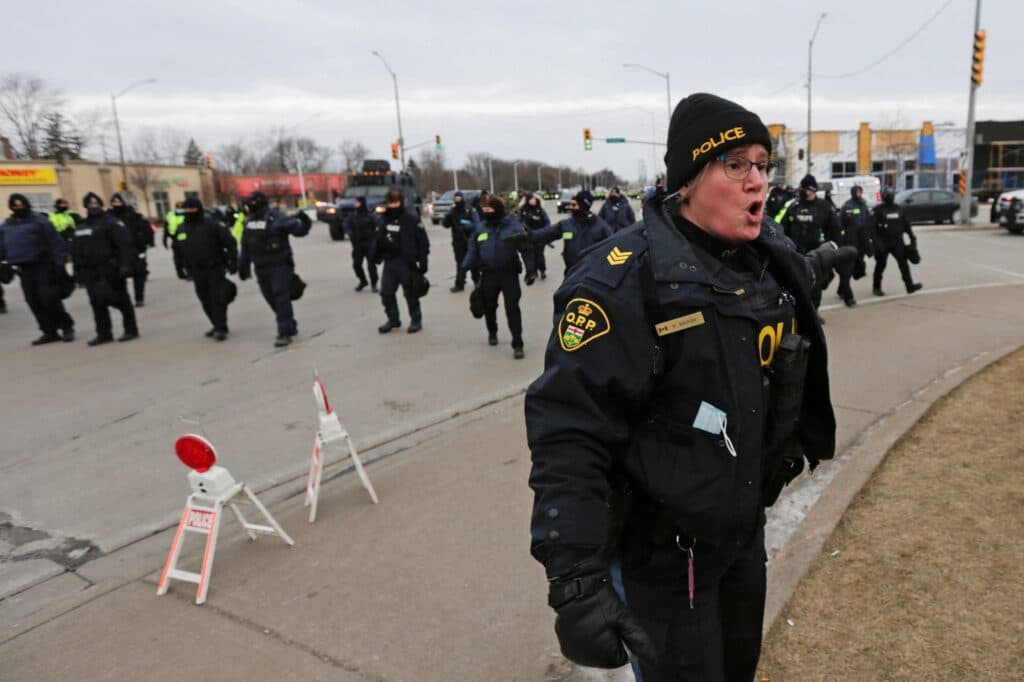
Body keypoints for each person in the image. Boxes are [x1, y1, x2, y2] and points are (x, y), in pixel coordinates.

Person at [526, 93, 837, 681]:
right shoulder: (621, 283)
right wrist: (574, 581)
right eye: (736, 165)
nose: (758, 183)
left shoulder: (762, 257)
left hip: (740, 533)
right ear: (689, 181)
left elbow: (745, 328)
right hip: (665, 560)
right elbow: (569, 428)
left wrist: (814, 270)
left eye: (763, 165)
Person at [237, 191, 311, 347]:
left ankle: (284, 332)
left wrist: (305, 221)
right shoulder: (249, 221)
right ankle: (289, 324)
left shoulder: (276, 218)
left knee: (280, 296)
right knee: (270, 297)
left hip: (279, 265)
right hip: (260, 267)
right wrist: (243, 266)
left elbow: (299, 231)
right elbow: (246, 246)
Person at [0, 193, 75, 343]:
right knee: (33, 301)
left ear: (27, 204)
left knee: (50, 299)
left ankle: (66, 326)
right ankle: (49, 331)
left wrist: (60, 263)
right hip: (23, 268)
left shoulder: (40, 221)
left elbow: (56, 241)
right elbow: (2, 245)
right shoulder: (7, 225)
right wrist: (4, 263)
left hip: (43, 265)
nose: (18, 208)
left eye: (21, 205)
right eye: (15, 206)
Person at [461, 194, 529, 358]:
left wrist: (531, 269)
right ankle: (492, 331)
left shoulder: (513, 226)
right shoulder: (481, 228)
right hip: (488, 274)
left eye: (489, 209)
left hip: (509, 274)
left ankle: (517, 343)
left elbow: (525, 248)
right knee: (489, 307)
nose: (486, 212)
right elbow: (473, 249)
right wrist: (464, 267)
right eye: (484, 209)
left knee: (512, 308)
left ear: (497, 209)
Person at [72, 193, 139, 345]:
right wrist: (77, 271)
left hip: (110, 268)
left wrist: (125, 265)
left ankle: (130, 330)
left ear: (101, 204)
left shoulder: (111, 222)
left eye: (96, 203)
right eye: (90, 204)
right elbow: (76, 250)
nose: (93, 206)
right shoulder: (81, 226)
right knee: (97, 303)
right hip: (90, 271)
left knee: (121, 300)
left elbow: (124, 245)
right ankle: (104, 333)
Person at [173, 196, 238, 340]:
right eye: (187, 209)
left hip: (214, 268)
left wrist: (233, 262)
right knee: (205, 300)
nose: (190, 211)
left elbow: (230, 242)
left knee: (217, 299)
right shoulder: (181, 228)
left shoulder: (211, 224)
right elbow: (177, 250)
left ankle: (221, 328)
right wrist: (179, 268)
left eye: (193, 208)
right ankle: (215, 324)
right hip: (195, 271)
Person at [775, 174, 839, 309]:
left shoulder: (824, 206)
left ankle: (814, 313)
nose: (802, 191)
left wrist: (834, 247)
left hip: (816, 254)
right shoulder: (793, 205)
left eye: (805, 188)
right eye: (801, 188)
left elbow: (835, 228)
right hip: (795, 253)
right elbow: (778, 224)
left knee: (816, 287)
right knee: (795, 287)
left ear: (812, 190)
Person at [372, 189, 429, 334]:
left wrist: (423, 262)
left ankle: (416, 321)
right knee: (386, 293)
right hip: (390, 262)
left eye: (396, 202)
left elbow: (423, 242)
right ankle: (393, 320)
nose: (393, 205)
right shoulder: (384, 219)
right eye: (391, 202)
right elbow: (378, 239)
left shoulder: (411, 218)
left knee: (410, 293)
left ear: (401, 202)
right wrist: (375, 255)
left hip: (406, 262)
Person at [529, 190, 613, 275]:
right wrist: (528, 236)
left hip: (592, 273)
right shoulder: (566, 224)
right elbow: (546, 233)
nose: (570, 207)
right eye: (570, 204)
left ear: (583, 205)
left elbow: (613, 245)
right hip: (571, 272)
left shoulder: (600, 225)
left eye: (574, 205)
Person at [872, 188, 922, 296]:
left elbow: (906, 224)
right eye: (888, 195)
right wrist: (877, 243)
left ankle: (909, 286)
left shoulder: (899, 209)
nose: (890, 197)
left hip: (897, 241)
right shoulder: (877, 210)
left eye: (891, 195)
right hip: (883, 241)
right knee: (880, 265)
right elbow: (872, 229)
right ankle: (876, 287)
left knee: (903, 264)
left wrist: (912, 237)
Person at [832, 185, 875, 306]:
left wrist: (870, 243)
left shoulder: (863, 205)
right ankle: (848, 297)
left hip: (862, 243)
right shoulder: (847, 207)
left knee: (854, 270)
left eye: (860, 191)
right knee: (847, 270)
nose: (859, 193)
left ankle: (841, 290)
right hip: (850, 243)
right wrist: (841, 241)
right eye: (857, 191)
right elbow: (839, 226)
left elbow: (867, 224)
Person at [109, 192, 154, 307]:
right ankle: (123, 299)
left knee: (139, 275)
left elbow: (145, 229)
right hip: (117, 252)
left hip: (134, 250)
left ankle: (139, 298)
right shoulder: (109, 217)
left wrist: (145, 244)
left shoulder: (133, 215)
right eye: (114, 202)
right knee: (118, 276)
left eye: (118, 201)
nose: (116, 204)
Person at [441, 191, 479, 292]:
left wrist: (466, 227)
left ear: (462, 198)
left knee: (473, 262)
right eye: (456, 198)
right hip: (458, 241)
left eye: (459, 198)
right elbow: (445, 225)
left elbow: (477, 224)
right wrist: (447, 218)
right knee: (460, 263)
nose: (457, 200)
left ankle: (477, 282)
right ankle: (460, 283)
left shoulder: (469, 210)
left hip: (470, 240)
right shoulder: (452, 211)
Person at [344, 196, 380, 292]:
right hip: (357, 243)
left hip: (370, 243)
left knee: (371, 265)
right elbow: (346, 225)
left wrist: (376, 237)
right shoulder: (353, 215)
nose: (355, 204)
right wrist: (350, 233)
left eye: (357, 202)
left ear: (362, 203)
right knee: (356, 265)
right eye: (355, 202)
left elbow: (378, 226)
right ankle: (363, 281)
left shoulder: (370, 215)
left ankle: (374, 284)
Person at [519, 192, 551, 282]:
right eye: (531, 199)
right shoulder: (524, 211)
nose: (533, 200)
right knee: (531, 255)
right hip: (528, 237)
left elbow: (547, 221)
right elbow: (519, 222)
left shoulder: (540, 209)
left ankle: (542, 270)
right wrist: (524, 230)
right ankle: (534, 271)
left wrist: (545, 231)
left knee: (539, 254)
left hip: (540, 236)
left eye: (534, 199)